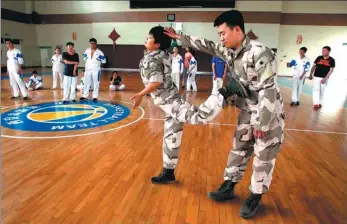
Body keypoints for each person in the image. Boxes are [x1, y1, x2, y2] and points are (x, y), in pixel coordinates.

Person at [165, 9, 285, 218]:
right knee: (239, 147)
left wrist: (262, 124)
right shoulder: (228, 49)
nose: (220, 37)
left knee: (264, 155)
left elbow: (269, 90)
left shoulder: (260, 52)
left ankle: (255, 195)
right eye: (219, 34)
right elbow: (207, 45)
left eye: (223, 33)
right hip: (247, 109)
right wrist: (180, 37)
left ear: (237, 29)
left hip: (268, 113)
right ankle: (229, 184)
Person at [130, 26, 248, 186]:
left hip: (170, 102)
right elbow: (168, 52)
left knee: (199, 117)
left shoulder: (151, 58)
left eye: (150, 37)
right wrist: (171, 37)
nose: (146, 38)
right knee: (171, 136)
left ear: (157, 44)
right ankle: (168, 171)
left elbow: (156, 81)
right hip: (169, 101)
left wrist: (140, 94)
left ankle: (225, 92)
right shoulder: (161, 53)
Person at [80, 38, 106, 102]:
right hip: (88, 69)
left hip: (96, 70)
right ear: (90, 44)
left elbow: (104, 61)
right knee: (87, 82)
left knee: (96, 83)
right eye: (91, 43)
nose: (92, 45)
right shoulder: (87, 51)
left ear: (96, 44)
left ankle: (95, 96)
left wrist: (100, 61)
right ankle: (85, 95)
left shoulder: (100, 52)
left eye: (94, 43)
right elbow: (85, 59)